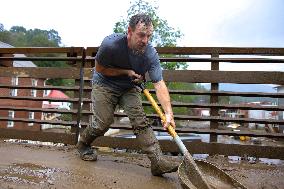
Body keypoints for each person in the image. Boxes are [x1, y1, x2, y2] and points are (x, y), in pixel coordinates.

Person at [77, 13, 179, 176]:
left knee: (140, 121)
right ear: (129, 32)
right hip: (104, 83)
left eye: (149, 36)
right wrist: (126, 71)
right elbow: (100, 69)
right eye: (141, 35)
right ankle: (83, 144)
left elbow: (159, 83)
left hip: (129, 87)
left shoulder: (150, 54)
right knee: (102, 123)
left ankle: (157, 162)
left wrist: (168, 113)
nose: (145, 40)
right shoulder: (110, 45)